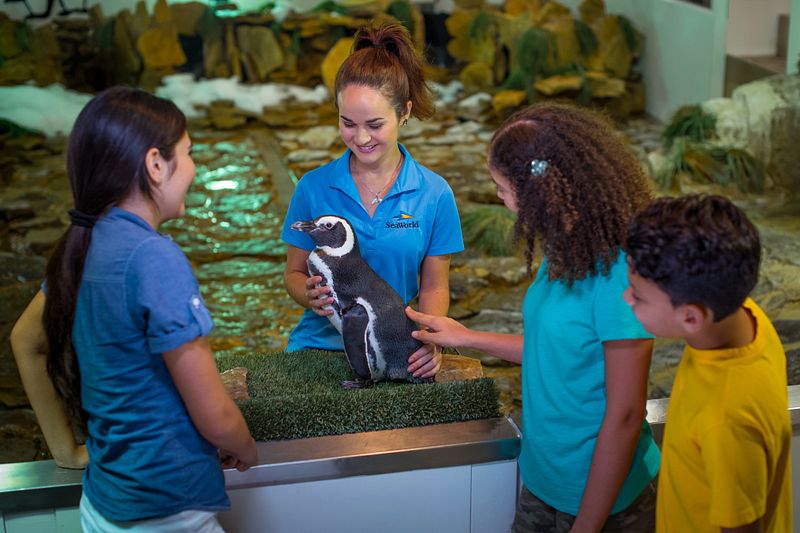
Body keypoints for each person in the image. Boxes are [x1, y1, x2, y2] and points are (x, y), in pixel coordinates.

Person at [10, 87, 257, 531]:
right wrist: (245, 446)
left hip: (104, 503)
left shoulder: (82, 243)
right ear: (156, 164)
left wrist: (66, 450)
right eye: (189, 153)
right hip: (165, 510)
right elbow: (215, 414)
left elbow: (25, 339)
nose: (196, 168)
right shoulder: (152, 256)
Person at [406, 102, 660, 532]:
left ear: (542, 191)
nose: (500, 199)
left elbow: (626, 414)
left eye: (502, 188)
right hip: (544, 481)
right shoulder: (565, 251)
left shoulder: (620, 274)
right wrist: (465, 337)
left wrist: (587, 523)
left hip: (606, 503)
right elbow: (557, 353)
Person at [280, 21, 463, 379]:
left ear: (405, 112)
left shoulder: (434, 193)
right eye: (347, 122)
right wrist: (308, 293)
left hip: (394, 346)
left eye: (375, 124)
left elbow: (435, 286)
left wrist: (430, 339)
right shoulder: (313, 187)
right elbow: (293, 273)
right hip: (317, 351)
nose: (360, 137)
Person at [624, 194, 792, 533]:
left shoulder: (727, 417)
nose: (626, 299)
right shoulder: (743, 314)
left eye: (638, 295)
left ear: (690, 317)